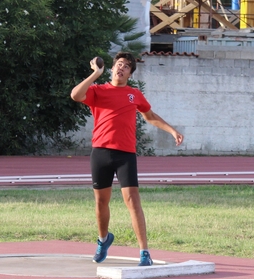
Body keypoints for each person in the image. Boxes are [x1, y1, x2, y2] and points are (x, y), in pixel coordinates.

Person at [70, 52, 184, 266]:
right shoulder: (98, 90)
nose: (121, 68)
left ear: (130, 74)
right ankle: (103, 240)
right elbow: (76, 95)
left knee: (132, 200)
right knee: (101, 202)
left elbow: (150, 116)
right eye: (119, 64)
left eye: (127, 67)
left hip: (125, 154)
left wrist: (172, 130)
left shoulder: (134, 94)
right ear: (112, 68)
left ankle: (144, 252)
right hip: (101, 153)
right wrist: (96, 73)